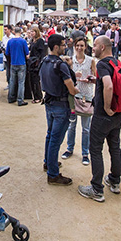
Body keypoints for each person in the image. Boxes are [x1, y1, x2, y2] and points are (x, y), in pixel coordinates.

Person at [77, 36, 121, 202]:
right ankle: (115, 180)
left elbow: (109, 85)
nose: (92, 47)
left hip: (104, 115)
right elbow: (110, 83)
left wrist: (105, 106)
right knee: (115, 147)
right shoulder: (116, 62)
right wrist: (96, 81)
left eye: (95, 45)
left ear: (103, 47)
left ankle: (97, 189)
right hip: (118, 113)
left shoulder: (102, 64)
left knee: (95, 149)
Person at [40, 34, 79, 186]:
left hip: (49, 103)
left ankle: (48, 163)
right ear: (56, 47)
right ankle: (53, 174)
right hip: (61, 106)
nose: (65, 47)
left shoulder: (45, 61)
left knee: (50, 136)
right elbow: (71, 88)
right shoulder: (60, 65)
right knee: (55, 139)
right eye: (63, 45)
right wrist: (78, 90)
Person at [62, 37, 95, 165]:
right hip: (73, 96)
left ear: (85, 47)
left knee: (86, 128)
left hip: (86, 96)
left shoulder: (91, 60)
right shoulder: (70, 60)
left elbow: (96, 77)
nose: (79, 48)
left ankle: (85, 153)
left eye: (82, 45)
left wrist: (90, 79)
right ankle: (70, 149)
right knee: (71, 125)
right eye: (77, 45)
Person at [5, 26, 29, 106]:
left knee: (12, 81)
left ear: (14, 32)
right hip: (21, 63)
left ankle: (11, 98)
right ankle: (20, 100)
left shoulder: (10, 41)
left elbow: (7, 53)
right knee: (21, 82)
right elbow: (27, 53)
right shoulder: (23, 41)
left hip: (13, 63)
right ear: (21, 32)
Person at [26, 26, 46, 103]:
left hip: (36, 63)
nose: (31, 33)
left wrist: (40, 63)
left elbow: (42, 53)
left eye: (33, 32)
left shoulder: (40, 41)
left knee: (36, 80)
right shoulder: (32, 41)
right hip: (31, 62)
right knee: (33, 80)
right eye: (31, 32)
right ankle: (36, 96)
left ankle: (38, 96)